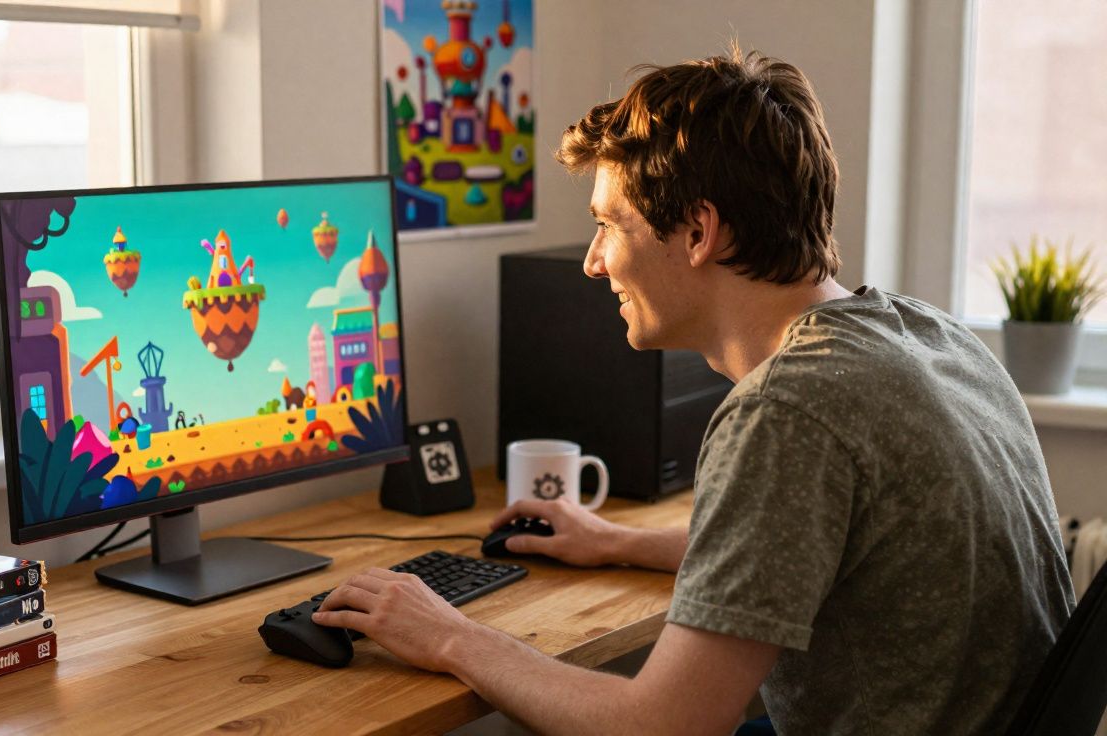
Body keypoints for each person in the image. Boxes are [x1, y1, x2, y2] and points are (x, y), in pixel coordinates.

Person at [315, 44, 1074, 735]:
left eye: (610, 226)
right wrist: (619, 541)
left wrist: (450, 633)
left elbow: (666, 725)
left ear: (699, 231)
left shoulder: (790, 409)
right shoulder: (926, 335)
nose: (592, 263)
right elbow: (829, 543)